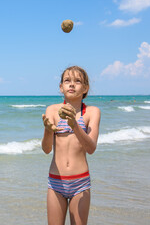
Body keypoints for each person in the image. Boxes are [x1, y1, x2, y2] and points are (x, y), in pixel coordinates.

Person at [41, 66, 101, 225]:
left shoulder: (92, 112)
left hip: (80, 183)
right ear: (61, 87)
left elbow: (91, 148)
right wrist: (48, 131)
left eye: (78, 81)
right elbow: (46, 149)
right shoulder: (52, 110)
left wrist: (74, 124)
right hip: (56, 182)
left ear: (85, 88)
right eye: (67, 81)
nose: (72, 84)